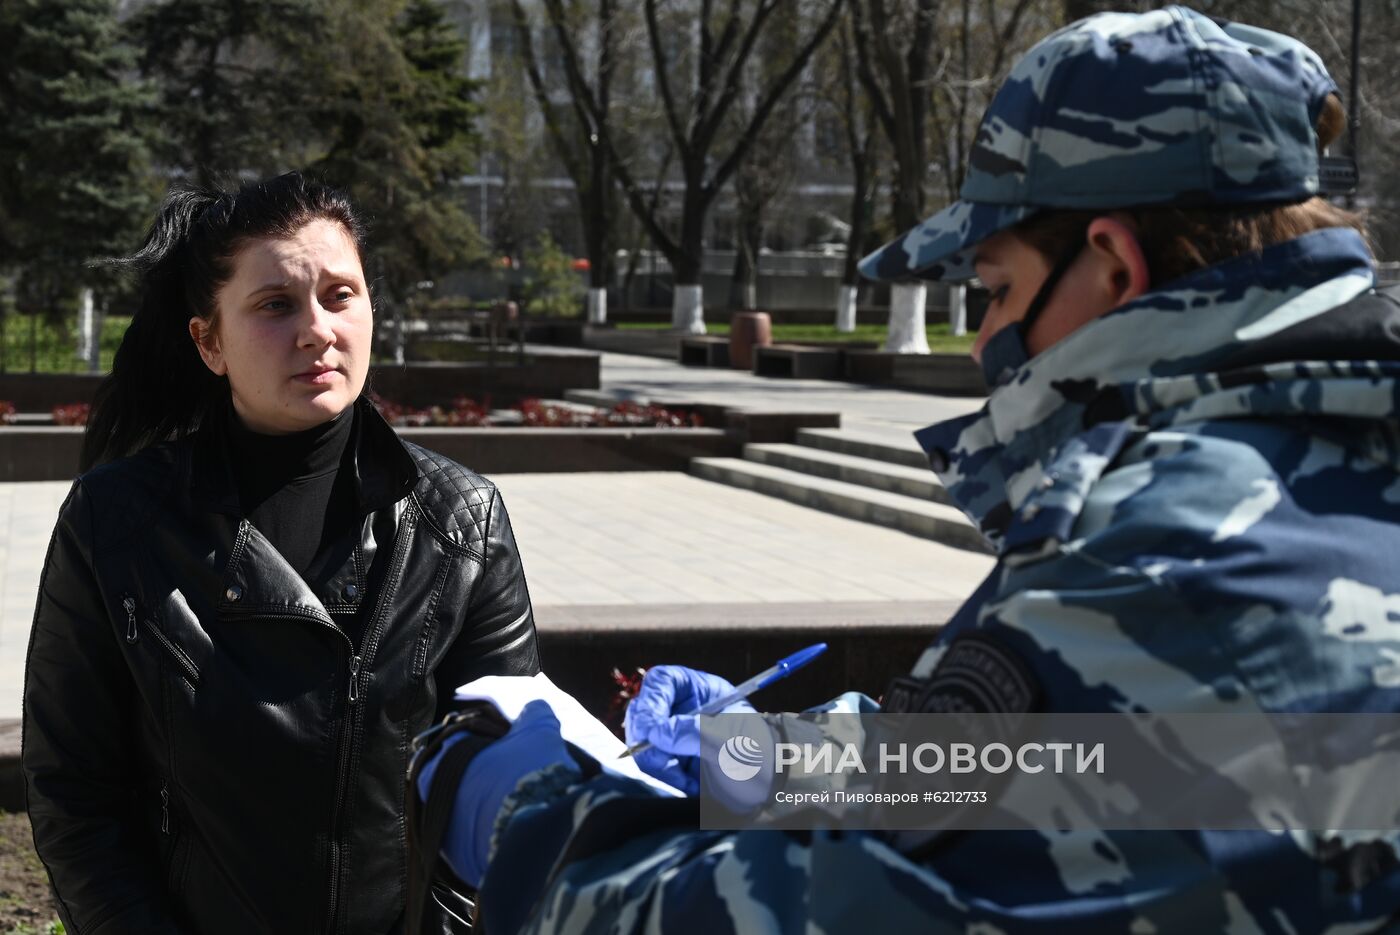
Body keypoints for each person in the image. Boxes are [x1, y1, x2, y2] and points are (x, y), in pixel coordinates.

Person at [414, 6, 1400, 932]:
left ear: (1111, 266)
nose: (985, 344)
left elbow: (840, 907)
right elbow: (1068, 774)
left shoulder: (1178, 560)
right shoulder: (1321, 475)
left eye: (997, 288)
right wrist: (743, 763)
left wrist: (527, 814)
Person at [22, 172, 541, 934]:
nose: (316, 329)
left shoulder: (462, 522)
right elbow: (74, 793)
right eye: (275, 305)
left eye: (340, 295)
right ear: (209, 341)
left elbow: (504, 785)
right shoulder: (116, 522)